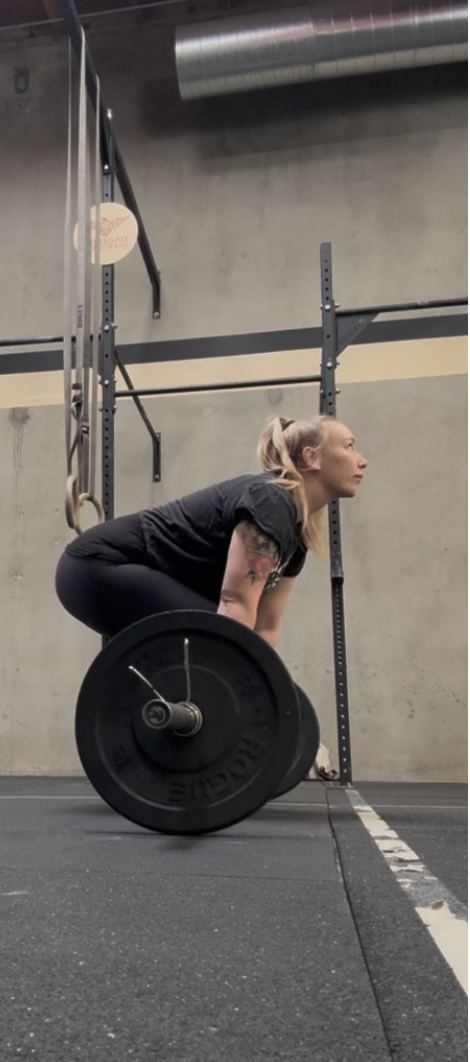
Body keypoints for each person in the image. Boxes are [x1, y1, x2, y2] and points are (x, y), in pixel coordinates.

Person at [55, 414, 367, 644]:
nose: (362, 461)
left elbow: (266, 626)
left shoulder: (296, 537)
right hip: (97, 565)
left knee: (226, 650)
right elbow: (235, 604)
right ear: (311, 457)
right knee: (219, 640)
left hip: (109, 574)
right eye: (350, 447)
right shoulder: (270, 500)